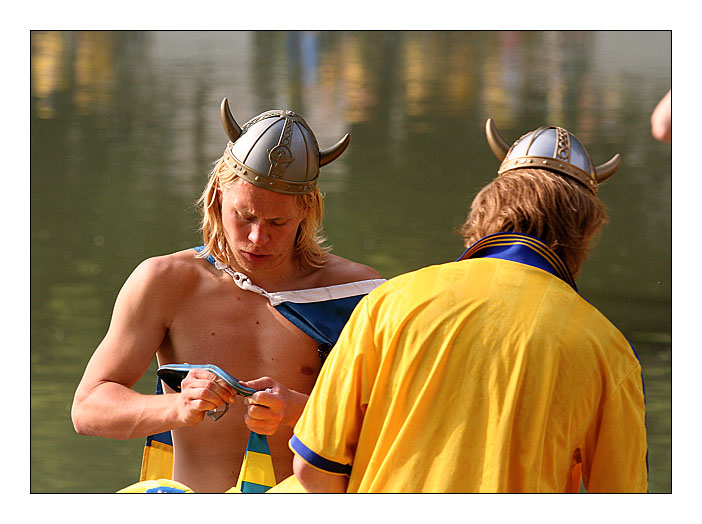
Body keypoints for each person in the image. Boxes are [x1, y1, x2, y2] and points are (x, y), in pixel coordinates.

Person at [288, 119, 648, 493]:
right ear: (584, 233)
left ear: (485, 210)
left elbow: (314, 468)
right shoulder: (608, 350)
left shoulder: (391, 301)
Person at [71, 98, 384, 493]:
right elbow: (88, 409)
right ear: (219, 198)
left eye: (277, 222)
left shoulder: (357, 292)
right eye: (245, 216)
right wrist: (177, 407)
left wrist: (301, 411)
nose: (258, 237)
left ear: (307, 211)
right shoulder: (165, 281)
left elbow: (398, 422)